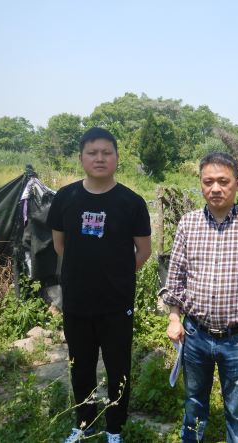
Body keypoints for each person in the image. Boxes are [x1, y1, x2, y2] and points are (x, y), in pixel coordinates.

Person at [162, 152, 238, 443]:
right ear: (201, 184)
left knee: (237, 408)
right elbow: (175, 278)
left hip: (237, 338)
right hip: (195, 334)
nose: (215, 188)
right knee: (194, 401)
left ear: (237, 184)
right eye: (208, 181)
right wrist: (174, 319)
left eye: (223, 181)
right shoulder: (188, 224)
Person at [47, 127, 151, 443]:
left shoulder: (131, 202)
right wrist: (85, 272)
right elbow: (60, 245)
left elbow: (144, 251)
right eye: (92, 153)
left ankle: (115, 428)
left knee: (118, 368)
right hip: (77, 301)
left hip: (117, 303)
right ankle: (84, 424)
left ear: (117, 158)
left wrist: (116, 275)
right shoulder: (65, 198)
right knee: (81, 366)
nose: (100, 158)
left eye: (107, 152)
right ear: (81, 158)